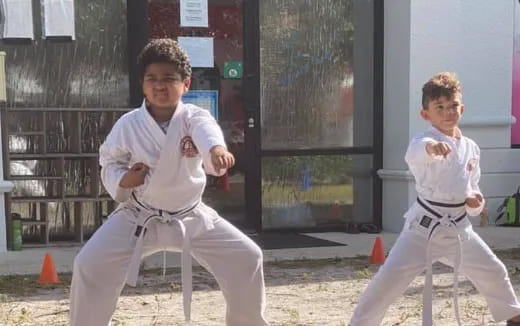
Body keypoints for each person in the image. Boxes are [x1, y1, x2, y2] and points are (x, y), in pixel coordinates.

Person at [69, 38, 269, 326]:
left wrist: (216, 150)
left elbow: (207, 133)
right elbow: (110, 162)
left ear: (186, 84)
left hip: (191, 217)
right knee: (89, 264)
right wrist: (125, 179)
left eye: (169, 79)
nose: (160, 85)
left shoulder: (194, 117)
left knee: (247, 257)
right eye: (152, 78)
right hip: (138, 216)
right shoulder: (129, 124)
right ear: (142, 84)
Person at [349, 72, 520, 326]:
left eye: (452, 106)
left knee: (493, 271)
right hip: (423, 229)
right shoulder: (422, 141)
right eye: (439, 107)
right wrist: (431, 147)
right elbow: (416, 153)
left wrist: (476, 201)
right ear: (425, 114)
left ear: (461, 108)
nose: (447, 112)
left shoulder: (471, 147)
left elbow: (473, 186)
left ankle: (513, 316)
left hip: (460, 229)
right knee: (388, 281)